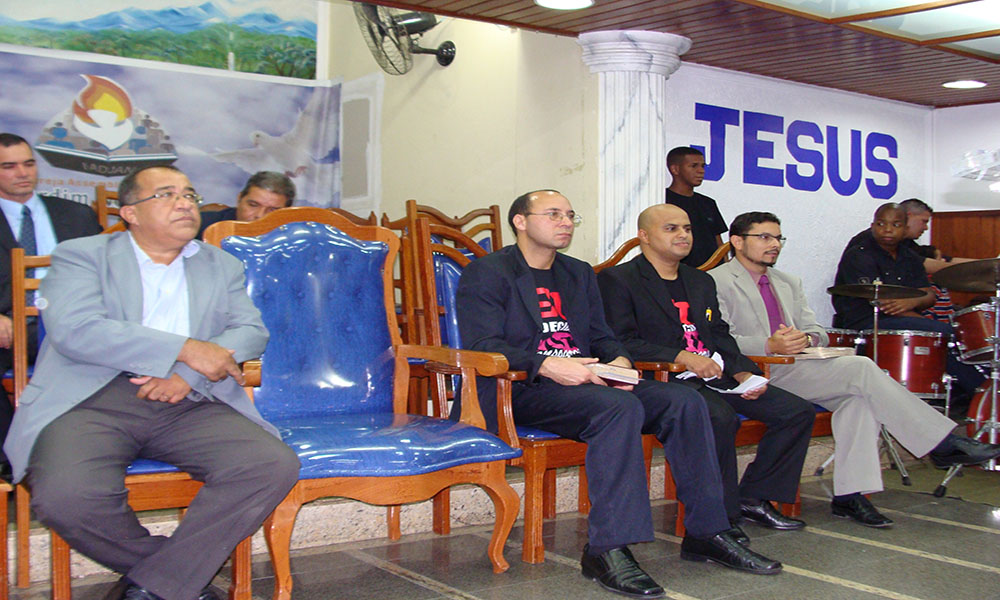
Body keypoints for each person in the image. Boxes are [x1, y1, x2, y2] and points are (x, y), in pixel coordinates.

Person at [457, 190, 783, 598]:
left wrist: (619, 361)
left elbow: (602, 335)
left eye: (570, 215)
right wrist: (548, 364)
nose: (565, 222)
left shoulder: (577, 273)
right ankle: (607, 548)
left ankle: (708, 531)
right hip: (522, 387)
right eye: (553, 214)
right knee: (617, 407)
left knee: (684, 401)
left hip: (587, 383)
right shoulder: (488, 272)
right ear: (520, 222)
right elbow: (483, 344)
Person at [4, 165, 300, 600]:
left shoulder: (220, 263)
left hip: (190, 398)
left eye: (189, 194)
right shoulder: (82, 255)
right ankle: (172, 580)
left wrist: (186, 372)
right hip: (92, 398)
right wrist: (186, 348)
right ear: (130, 213)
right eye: (166, 194)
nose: (184, 203)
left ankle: (155, 586)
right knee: (66, 495)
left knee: (270, 464)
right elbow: (77, 329)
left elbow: (250, 331)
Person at [711, 211, 1000, 527]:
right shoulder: (716, 281)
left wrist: (805, 338)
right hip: (756, 370)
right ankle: (941, 444)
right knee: (861, 368)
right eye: (765, 237)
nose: (775, 245)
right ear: (737, 241)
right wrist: (769, 345)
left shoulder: (788, 282)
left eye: (778, 238)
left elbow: (816, 330)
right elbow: (717, 339)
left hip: (799, 366)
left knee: (858, 401)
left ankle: (850, 495)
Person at [598, 204, 815, 538]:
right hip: (665, 378)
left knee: (795, 411)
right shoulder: (618, 280)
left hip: (714, 374)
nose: (683, 235)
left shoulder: (699, 280)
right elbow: (618, 341)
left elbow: (719, 334)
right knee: (718, 417)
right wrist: (682, 357)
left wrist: (743, 373)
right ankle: (722, 520)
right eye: (671, 228)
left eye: (687, 228)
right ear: (644, 236)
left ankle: (754, 496)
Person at [0, 132, 103, 479]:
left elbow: (109, 275)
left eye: (29, 164)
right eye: (9, 166)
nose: (22, 173)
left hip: (78, 324)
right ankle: (13, 460)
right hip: (12, 330)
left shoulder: (75, 214)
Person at [832, 203, 985, 402]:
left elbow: (928, 295)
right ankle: (982, 393)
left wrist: (912, 302)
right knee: (943, 332)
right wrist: (925, 320)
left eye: (895, 225)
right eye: (881, 224)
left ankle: (974, 394)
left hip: (900, 320)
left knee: (955, 335)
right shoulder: (859, 254)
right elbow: (883, 303)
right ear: (872, 226)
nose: (887, 230)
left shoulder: (909, 256)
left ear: (905, 229)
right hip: (867, 323)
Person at [664, 146, 727, 268]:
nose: (701, 171)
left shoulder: (708, 203)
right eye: (694, 166)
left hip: (713, 272)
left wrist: (724, 267)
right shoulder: (662, 200)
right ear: (675, 169)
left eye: (702, 166)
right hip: (679, 271)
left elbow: (718, 242)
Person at [197, 171, 295, 238]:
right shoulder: (202, 226)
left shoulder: (294, 240)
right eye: (253, 205)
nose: (260, 215)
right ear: (239, 199)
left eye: (272, 210)